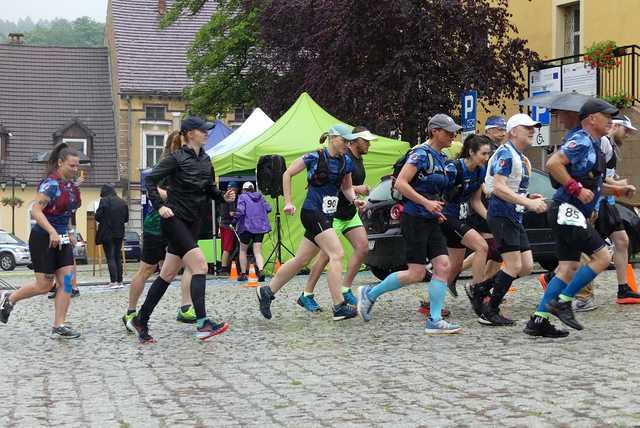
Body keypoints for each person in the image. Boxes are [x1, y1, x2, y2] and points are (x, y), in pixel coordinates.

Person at [525, 99, 635, 338]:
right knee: (603, 256)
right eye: (606, 116)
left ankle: (538, 320)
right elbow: (554, 164)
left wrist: (617, 191)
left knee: (568, 266)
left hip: (570, 211)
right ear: (592, 119)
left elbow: (593, 185)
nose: (611, 121)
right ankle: (563, 301)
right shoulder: (582, 140)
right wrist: (575, 188)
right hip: (567, 210)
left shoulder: (594, 143)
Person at [126, 117, 234, 343]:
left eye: (207, 131)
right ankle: (203, 323)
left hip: (193, 221)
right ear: (189, 133)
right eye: (202, 131)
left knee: (166, 274)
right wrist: (160, 206)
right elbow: (150, 180)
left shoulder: (206, 159)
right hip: (175, 220)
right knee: (200, 265)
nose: (206, 134)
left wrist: (223, 197)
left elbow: (209, 188)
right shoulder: (176, 159)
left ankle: (141, 320)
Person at [356, 114, 463, 334]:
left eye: (454, 131)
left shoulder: (441, 157)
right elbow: (402, 184)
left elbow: (432, 189)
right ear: (434, 131)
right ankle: (370, 293)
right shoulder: (420, 154)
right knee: (415, 273)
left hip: (430, 219)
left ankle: (434, 319)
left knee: (443, 266)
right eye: (448, 131)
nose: (453, 135)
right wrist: (426, 203)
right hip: (413, 218)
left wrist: (436, 209)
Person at [256, 124, 365, 321]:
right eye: (344, 140)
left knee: (301, 260)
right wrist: (288, 202)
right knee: (337, 253)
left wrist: (354, 199)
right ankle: (339, 305)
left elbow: (347, 188)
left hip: (327, 215)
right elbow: (287, 174)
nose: (347, 144)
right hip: (312, 212)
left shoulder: (346, 162)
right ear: (332, 138)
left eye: (349, 141)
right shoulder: (314, 157)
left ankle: (267, 291)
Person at [468, 113, 547, 326]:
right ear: (513, 131)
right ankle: (490, 310)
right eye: (527, 127)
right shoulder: (506, 154)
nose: (532, 131)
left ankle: (481, 288)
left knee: (526, 266)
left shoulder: (518, 156)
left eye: (533, 128)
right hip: (502, 212)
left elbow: (507, 187)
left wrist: (528, 198)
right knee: (513, 265)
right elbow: (499, 188)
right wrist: (528, 203)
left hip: (513, 213)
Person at [0, 143, 82, 338]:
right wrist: (52, 231)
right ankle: (10, 298)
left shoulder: (71, 186)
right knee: (44, 285)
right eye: (72, 165)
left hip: (61, 236)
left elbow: (68, 212)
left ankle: (59, 325)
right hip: (43, 237)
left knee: (68, 282)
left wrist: (70, 231)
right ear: (60, 163)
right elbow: (36, 211)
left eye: (77, 166)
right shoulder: (49, 184)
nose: (75, 169)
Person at [122, 131, 197, 332]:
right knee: (147, 269)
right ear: (173, 147)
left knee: (191, 265)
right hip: (156, 224)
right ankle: (130, 310)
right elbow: (151, 188)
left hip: (177, 224)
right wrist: (173, 195)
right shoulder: (165, 165)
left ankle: (185, 307)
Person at [298, 126, 375, 312]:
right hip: (334, 214)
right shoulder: (342, 156)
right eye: (365, 141)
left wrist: (356, 197)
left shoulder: (357, 159)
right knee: (327, 256)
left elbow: (346, 185)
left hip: (350, 212)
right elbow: (336, 183)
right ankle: (307, 294)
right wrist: (358, 189)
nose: (369, 144)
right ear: (354, 141)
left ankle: (345, 287)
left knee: (363, 247)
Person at [572, 115, 640, 309]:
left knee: (621, 241)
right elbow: (596, 179)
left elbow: (602, 178)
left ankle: (623, 288)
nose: (627, 135)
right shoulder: (599, 142)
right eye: (626, 130)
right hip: (596, 202)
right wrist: (619, 186)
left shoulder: (609, 145)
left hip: (605, 201)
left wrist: (617, 184)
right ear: (614, 126)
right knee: (592, 251)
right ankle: (571, 290)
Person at [440, 134, 492, 310]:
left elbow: (475, 201)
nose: (486, 158)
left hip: (461, 217)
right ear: (471, 152)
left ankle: (431, 301)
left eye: (488, 154)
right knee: (482, 247)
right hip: (446, 217)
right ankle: (477, 291)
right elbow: (436, 191)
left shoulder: (480, 170)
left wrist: (491, 219)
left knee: (455, 267)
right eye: (483, 154)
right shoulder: (453, 169)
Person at [235, 181, 271, 282]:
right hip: (260, 227)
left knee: (243, 250)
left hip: (247, 227)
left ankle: (243, 274)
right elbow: (269, 208)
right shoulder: (261, 197)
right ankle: (260, 271)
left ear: (244, 189)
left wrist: (234, 218)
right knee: (257, 251)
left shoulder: (242, 197)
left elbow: (241, 211)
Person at [96, 184, 129, 289]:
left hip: (107, 232)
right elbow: (126, 219)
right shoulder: (122, 202)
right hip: (119, 232)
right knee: (117, 257)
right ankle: (120, 281)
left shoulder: (104, 201)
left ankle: (113, 281)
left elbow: (98, 216)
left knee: (110, 257)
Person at [219, 182, 239, 275]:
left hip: (222, 225)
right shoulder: (231, 199)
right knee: (227, 248)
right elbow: (232, 213)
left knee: (225, 247)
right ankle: (223, 269)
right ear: (234, 189)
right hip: (228, 226)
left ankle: (224, 267)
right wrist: (240, 213)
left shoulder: (223, 197)